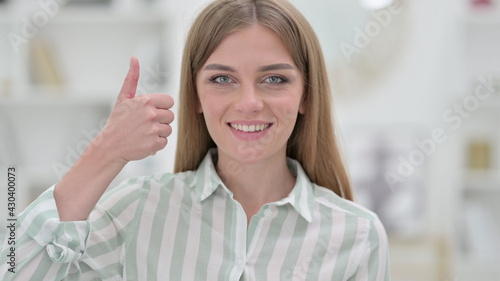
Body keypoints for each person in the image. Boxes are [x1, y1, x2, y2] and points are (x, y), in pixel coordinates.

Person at [0, 0, 390, 280]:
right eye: (222, 79)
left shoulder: (357, 236)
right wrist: (105, 152)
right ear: (196, 96)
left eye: (275, 79)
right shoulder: (139, 211)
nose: (249, 103)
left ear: (306, 94)